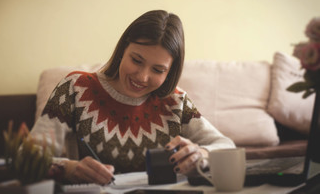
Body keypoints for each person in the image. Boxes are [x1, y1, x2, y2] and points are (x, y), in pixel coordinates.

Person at [30, 10, 235, 185]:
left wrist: (203, 154)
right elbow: (26, 157)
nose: (142, 77)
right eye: (136, 60)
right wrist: (68, 168)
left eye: (158, 70)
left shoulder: (176, 101)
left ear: (170, 72)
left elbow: (227, 146)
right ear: (123, 49)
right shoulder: (75, 88)